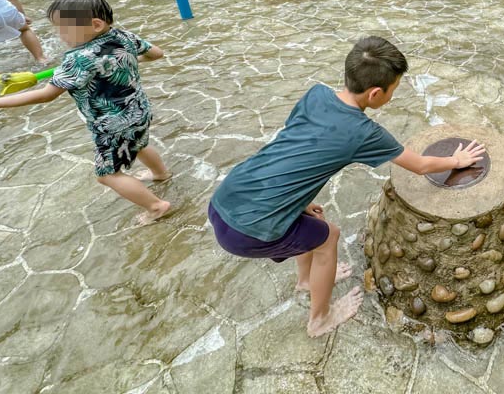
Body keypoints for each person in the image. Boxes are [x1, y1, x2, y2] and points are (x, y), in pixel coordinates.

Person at [208, 36, 485, 338]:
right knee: (328, 237)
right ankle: (320, 319)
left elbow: (291, 151)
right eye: (394, 90)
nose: (392, 96)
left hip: (226, 198)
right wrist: (455, 160)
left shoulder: (316, 94)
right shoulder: (364, 132)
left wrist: (298, 205)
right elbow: (419, 165)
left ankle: (306, 281)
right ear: (376, 93)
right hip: (247, 230)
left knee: (312, 222)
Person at [0, 0, 172, 225]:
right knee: (140, 144)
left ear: (95, 24)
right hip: (139, 109)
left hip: (111, 124)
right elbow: (157, 54)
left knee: (108, 175)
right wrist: (118, 62)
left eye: (63, 28)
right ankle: (160, 174)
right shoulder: (123, 36)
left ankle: (156, 206)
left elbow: (45, 96)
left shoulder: (77, 59)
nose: (59, 34)